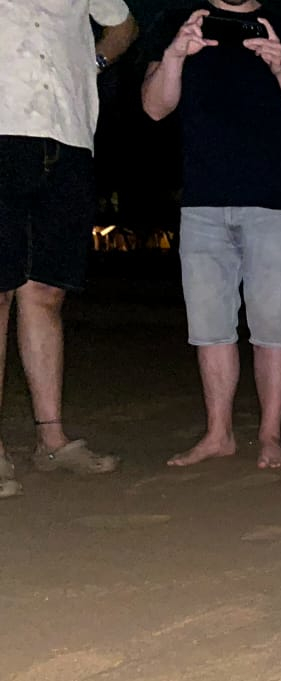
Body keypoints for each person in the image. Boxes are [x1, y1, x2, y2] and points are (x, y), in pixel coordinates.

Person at [140, 0, 281, 469]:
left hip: (276, 201)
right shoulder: (177, 21)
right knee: (209, 327)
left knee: (274, 327)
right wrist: (177, 55)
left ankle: (269, 436)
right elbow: (154, 108)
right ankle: (218, 434)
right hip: (202, 201)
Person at [0, 0, 138, 500]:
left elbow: (122, 26)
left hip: (68, 137)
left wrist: (93, 63)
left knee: (47, 292)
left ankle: (51, 439)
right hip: (2, 129)